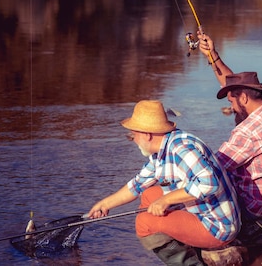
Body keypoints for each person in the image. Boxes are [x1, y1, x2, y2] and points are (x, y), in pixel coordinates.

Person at [87, 100, 241, 266]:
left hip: (217, 227)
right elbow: (137, 185)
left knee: (144, 224)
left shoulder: (181, 149)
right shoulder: (163, 148)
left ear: (147, 134)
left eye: (133, 136)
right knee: (148, 195)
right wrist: (105, 204)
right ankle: (181, 242)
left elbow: (210, 184)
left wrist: (166, 200)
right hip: (202, 213)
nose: (133, 140)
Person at [197, 33, 262, 225]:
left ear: (244, 98)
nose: (230, 107)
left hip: (251, 206)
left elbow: (210, 169)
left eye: (231, 101)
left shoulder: (247, 133)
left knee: (197, 184)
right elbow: (231, 84)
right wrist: (212, 56)